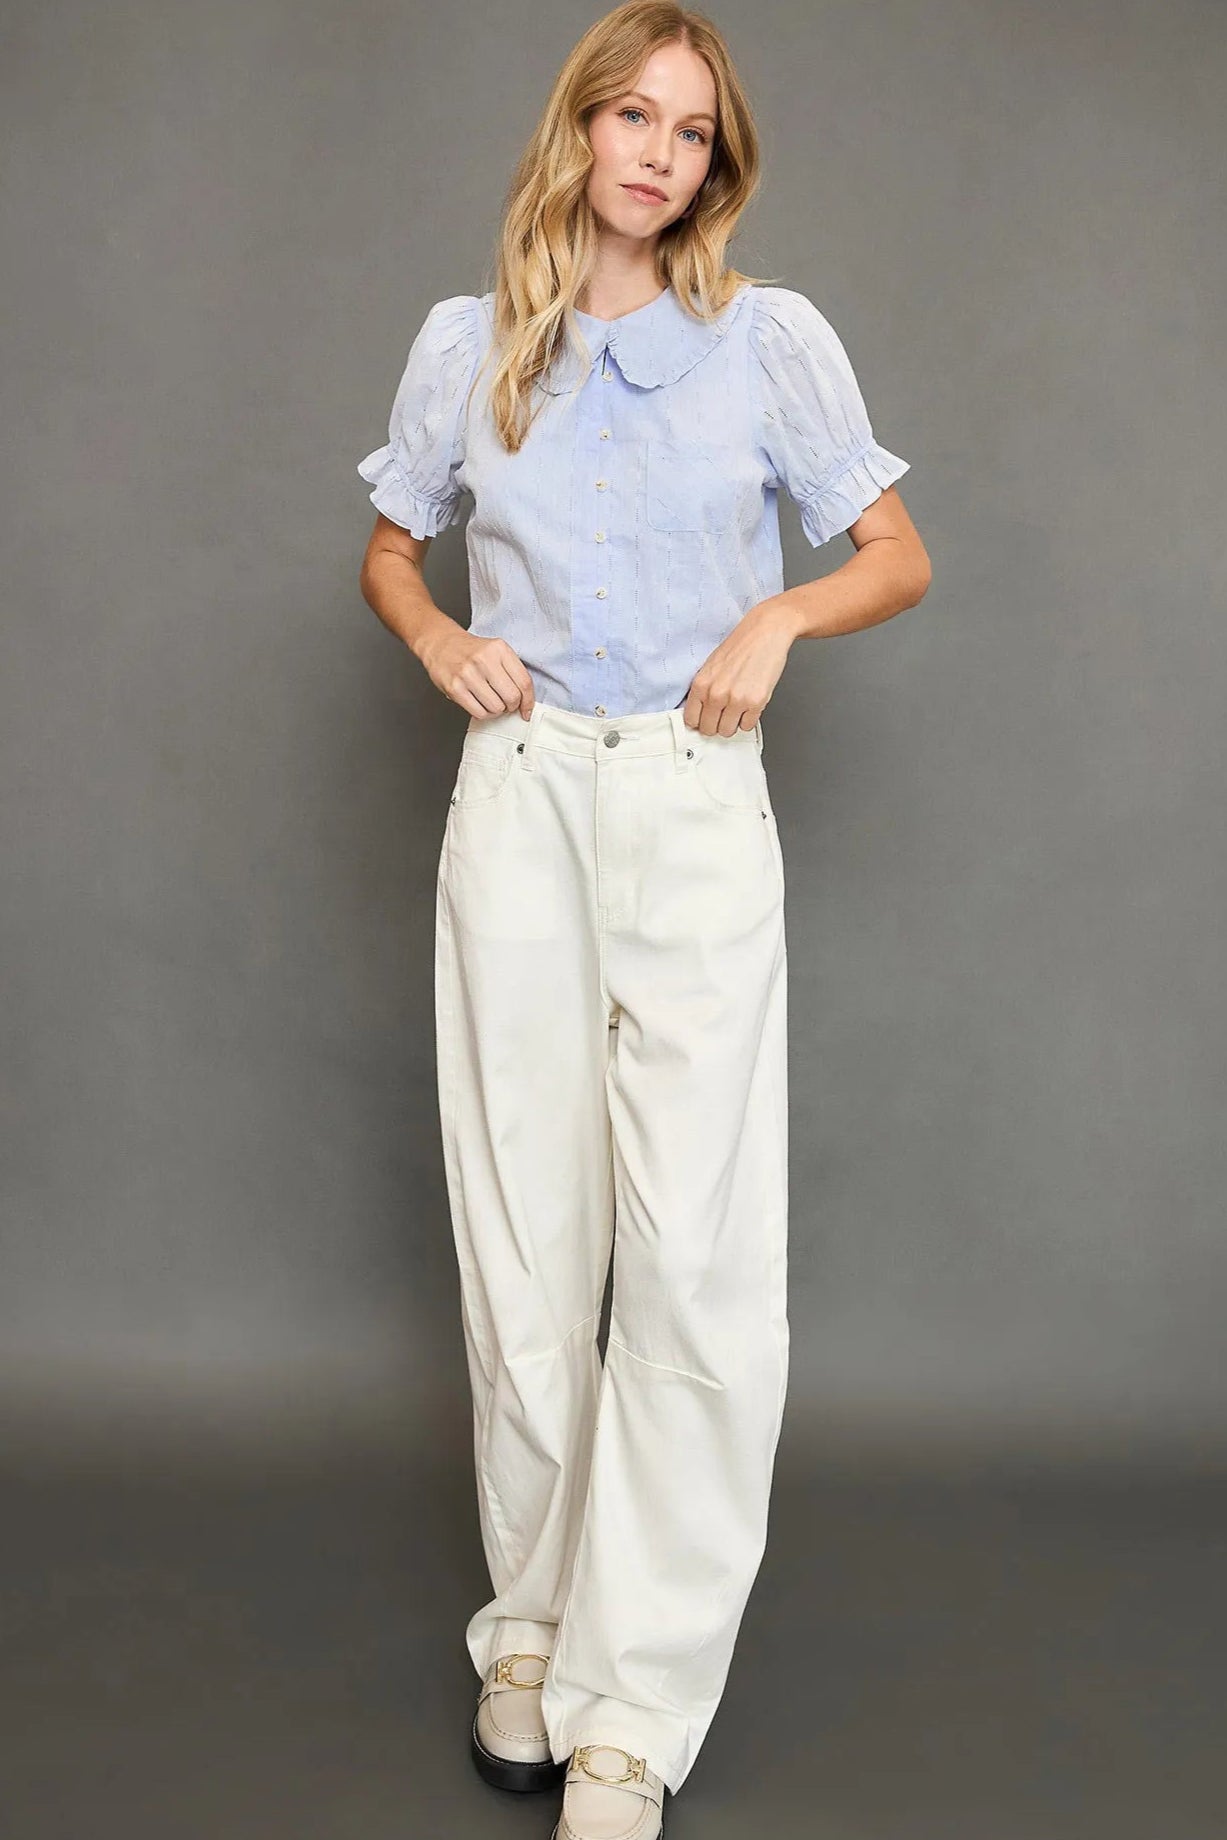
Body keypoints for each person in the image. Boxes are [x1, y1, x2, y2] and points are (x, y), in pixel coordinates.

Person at [356, 5, 930, 1835]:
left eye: (693, 131)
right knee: (529, 1251)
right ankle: (528, 1633)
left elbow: (896, 553)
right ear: (581, 132)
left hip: (690, 800)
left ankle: (633, 1711)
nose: (660, 155)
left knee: (691, 1267)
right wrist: (441, 632)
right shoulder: (474, 342)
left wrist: (777, 621)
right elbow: (391, 544)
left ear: (715, 164)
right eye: (633, 117)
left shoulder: (770, 344)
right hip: (520, 795)